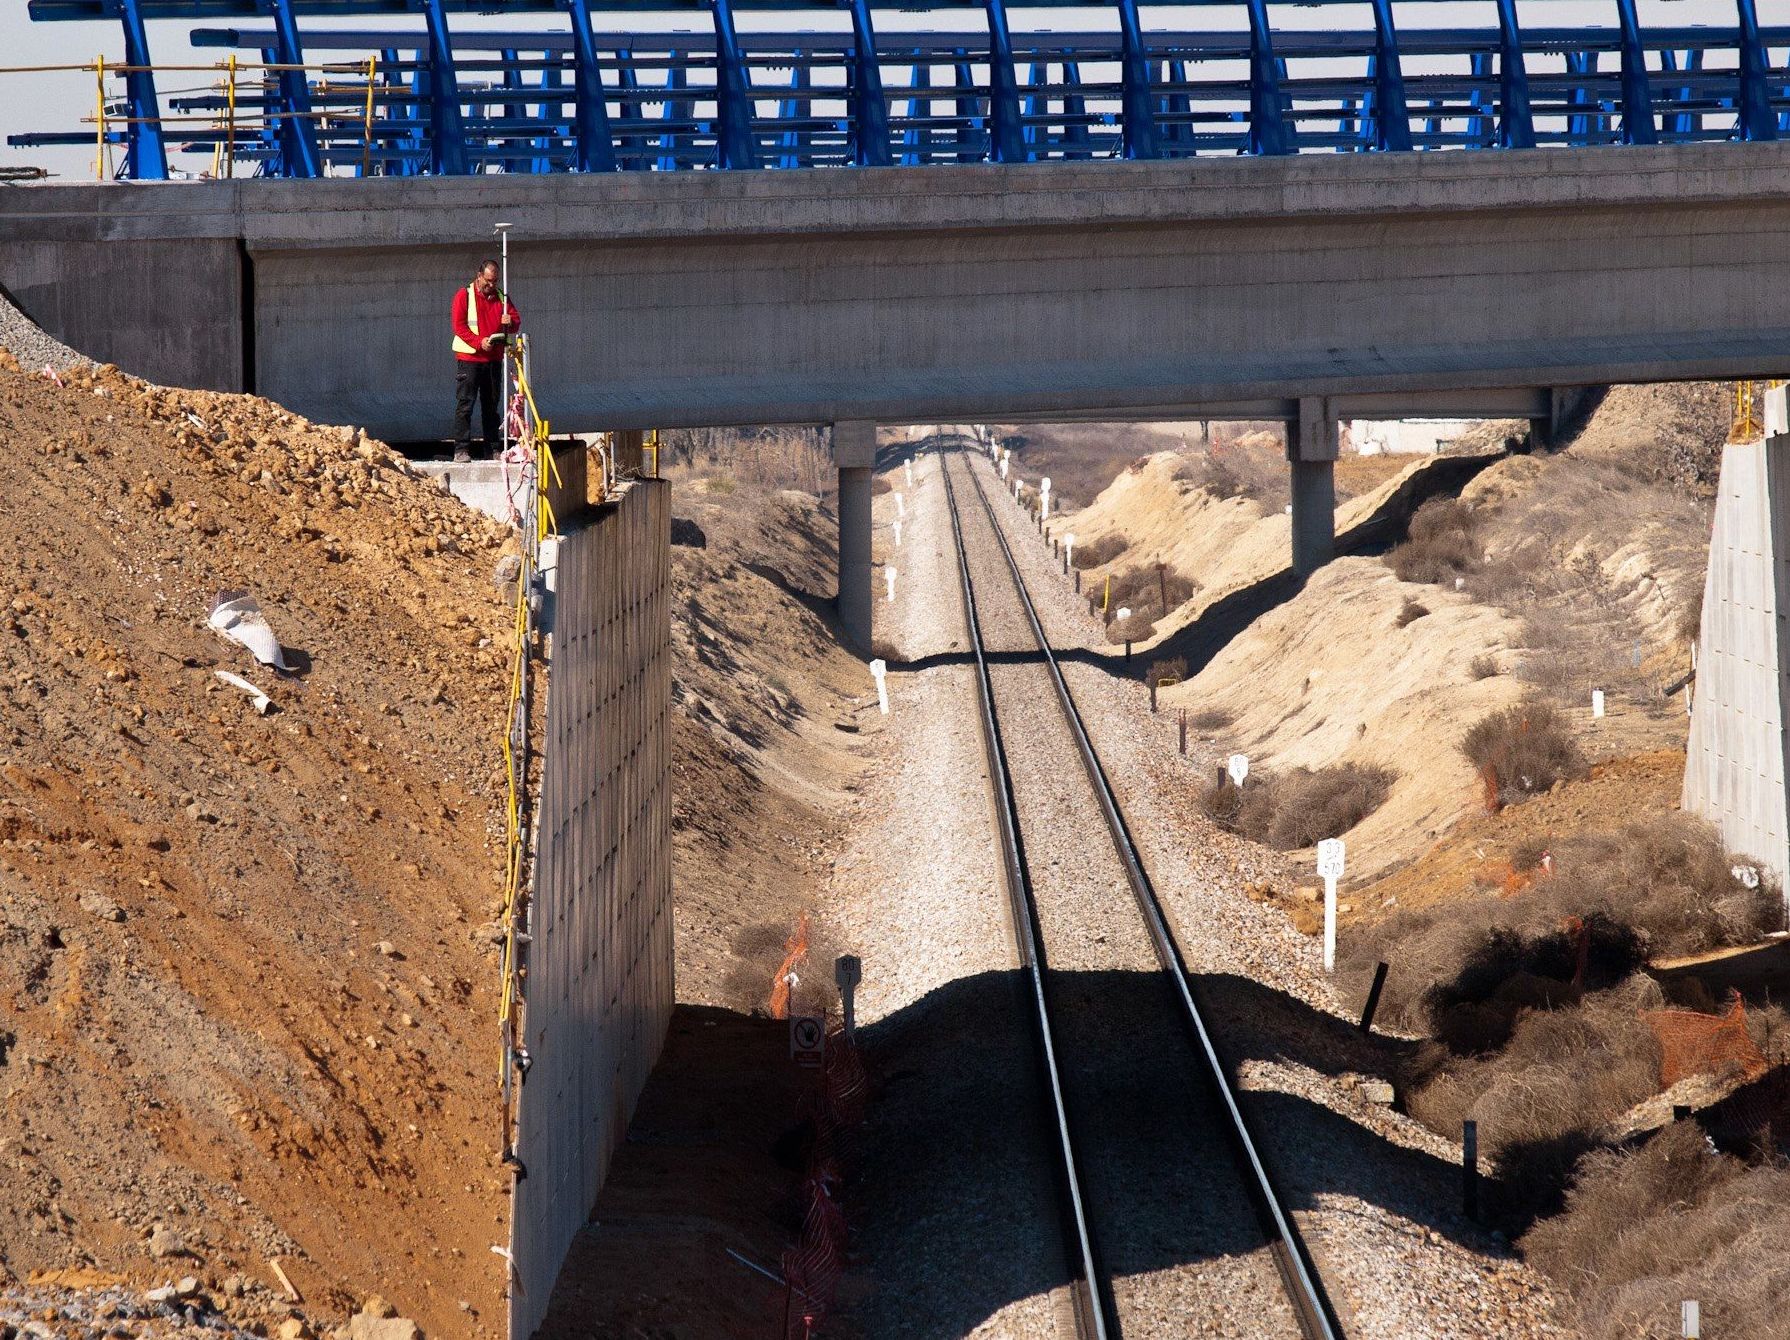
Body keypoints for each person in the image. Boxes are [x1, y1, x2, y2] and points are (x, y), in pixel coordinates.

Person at [451, 260, 520, 462]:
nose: (491, 285)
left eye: (495, 281)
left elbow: (515, 321)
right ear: (479, 275)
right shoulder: (464, 295)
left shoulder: (501, 297)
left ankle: (492, 449)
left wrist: (511, 322)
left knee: (491, 407)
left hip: (493, 360)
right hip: (470, 360)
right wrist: (479, 342)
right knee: (466, 405)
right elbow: (459, 326)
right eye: (488, 281)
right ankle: (461, 449)